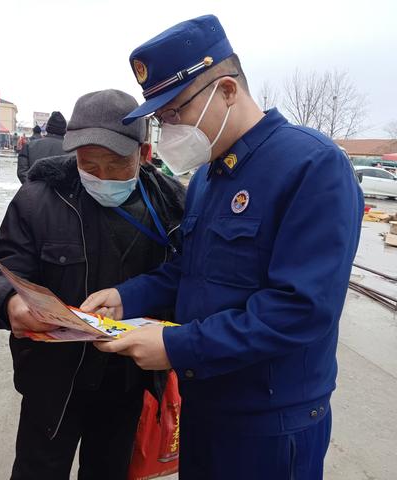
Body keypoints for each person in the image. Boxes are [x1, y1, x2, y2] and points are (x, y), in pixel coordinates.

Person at [80, 15, 365, 480]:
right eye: (161, 119)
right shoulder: (208, 179)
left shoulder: (312, 166)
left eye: (175, 113)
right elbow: (187, 272)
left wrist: (176, 344)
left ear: (227, 90)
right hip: (206, 402)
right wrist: (125, 297)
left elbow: (300, 309)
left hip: (270, 420)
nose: (167, 129)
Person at [0, 89, 186, 480]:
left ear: (143, 154)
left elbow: (185, 281)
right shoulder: (37, 200)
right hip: (52, 382)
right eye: (89, 164)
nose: (102, 176)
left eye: (116, 164)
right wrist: (11, 305)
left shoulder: (171, 208)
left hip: (126, 383)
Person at [17, 111, 67, 183]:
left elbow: (22, 172)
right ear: (64, 130)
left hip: (33, 192)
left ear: (47, 127)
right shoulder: (72, 150)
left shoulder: (28, 146)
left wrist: (34, 188)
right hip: (62, 193)